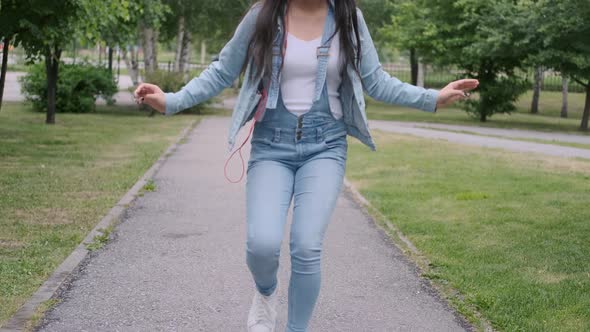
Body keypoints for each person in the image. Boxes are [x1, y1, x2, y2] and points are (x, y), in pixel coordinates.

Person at [134, 0, 479, 331]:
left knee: (306, 244)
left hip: (325, 146)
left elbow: (376, 81)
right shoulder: (262, 16)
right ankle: (266, 293)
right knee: (262, 244)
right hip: (271, 145)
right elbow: (223, 70)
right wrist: (172, 101)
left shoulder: (348, 19)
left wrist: (432, 98)